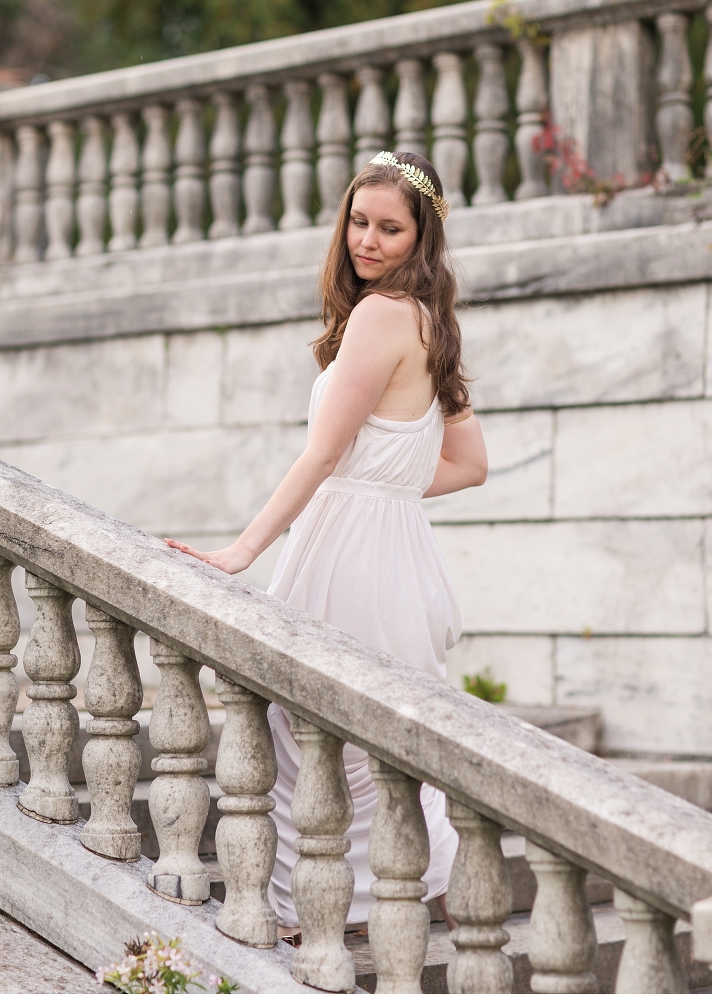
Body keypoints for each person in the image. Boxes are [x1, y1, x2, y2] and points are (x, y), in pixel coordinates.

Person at [165, 149, 488, 939]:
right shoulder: (432, 322)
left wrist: (242, 552)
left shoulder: (382, 316)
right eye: (358, 221)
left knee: (309, 739)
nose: (367, 241)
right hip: (396, 551)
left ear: (422, 239)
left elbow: (322, 454)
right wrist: (386, 486)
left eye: (390, 228)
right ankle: (386, 913)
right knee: (366, 743)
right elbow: (468, 466)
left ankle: (305, 924)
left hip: (346, 552)